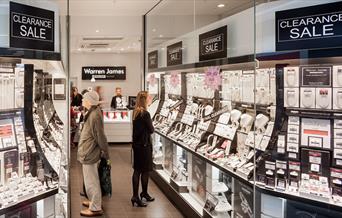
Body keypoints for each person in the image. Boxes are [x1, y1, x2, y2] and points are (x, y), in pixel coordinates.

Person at [77, 91, 109, 216]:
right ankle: (93, 200)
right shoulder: (91, 112)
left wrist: (106, 153)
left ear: (89, 101)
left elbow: (100, 136)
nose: (82, 101)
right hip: (88, 151)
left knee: (92, 181)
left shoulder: (95, 115)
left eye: (84, 99)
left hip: (89, 153)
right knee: (90, 179)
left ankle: (95, 207)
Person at [131, 91, 155, 207]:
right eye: (149, 97)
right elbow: (151, 130)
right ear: (145, 100)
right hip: (144, 146)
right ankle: (139, 195)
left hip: (137, 146)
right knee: (144, 171)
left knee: (137, 170)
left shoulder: (136, 112)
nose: (151, 99)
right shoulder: (145, 114)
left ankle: (140, 194)